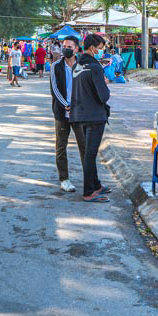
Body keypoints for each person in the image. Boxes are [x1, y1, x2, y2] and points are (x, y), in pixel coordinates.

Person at [71, 34, 113, 202]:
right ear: (92, 48)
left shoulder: (77, 66)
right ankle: (89, 191)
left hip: (80, 115)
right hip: (94, 116)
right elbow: (103, 96)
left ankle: (96, 184)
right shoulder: (95, 68)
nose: (101, 51)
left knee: (89, 153)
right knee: (90, 154)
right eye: (100, 48)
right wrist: (105, 84)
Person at [49, 36, 86, 192]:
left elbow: (87, 89)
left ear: (76, 49)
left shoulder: (83, 65)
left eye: (69, 46)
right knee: (61, 147)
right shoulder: (56, 66)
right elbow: (54, 89)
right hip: (62, 113)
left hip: (79, 114)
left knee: (85, 147)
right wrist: (66, 105)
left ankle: (90, 179)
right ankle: (64, 179)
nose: (66, 49)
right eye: (64, 46)